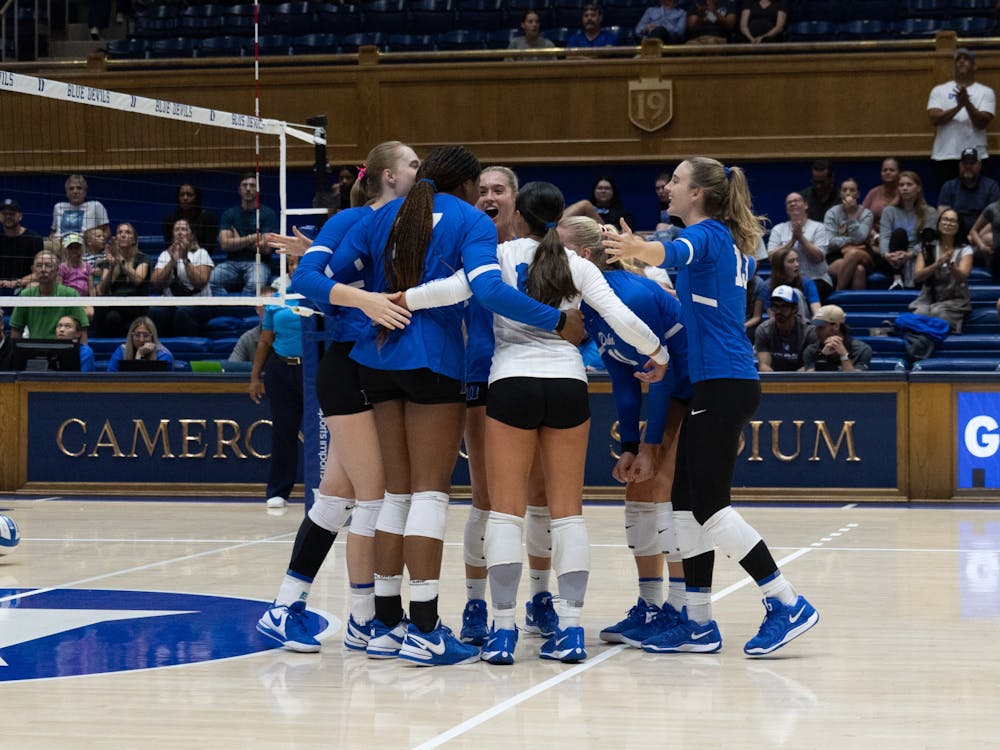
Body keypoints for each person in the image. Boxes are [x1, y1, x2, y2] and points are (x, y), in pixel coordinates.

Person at [337, 146, 586, 666]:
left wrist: (373, 298)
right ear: (471, 185)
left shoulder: (392, 215)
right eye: (483, 186)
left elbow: (338, 273)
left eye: (498, 190)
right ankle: (448, 618)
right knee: (455, 496)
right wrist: (559, 323)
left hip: (392, 355)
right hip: (449, 364)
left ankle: (391, 621)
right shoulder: (469, 226)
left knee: (404, 495)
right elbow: (482, 289)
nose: (487, 196)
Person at [604, 156, 819, 656]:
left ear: (698, 193)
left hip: (725, 382)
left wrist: (639, 248)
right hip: (712, 380)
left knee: (709, 506)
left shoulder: (711, 235)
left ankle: (785, 600)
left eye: (677, 181)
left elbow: (672, 251)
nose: (669, 187)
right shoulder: (720, 240)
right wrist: (665, 364)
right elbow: (696, 310)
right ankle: (697, 621)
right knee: (683, 501)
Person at [256, 141, 422, 654]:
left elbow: (340, 269)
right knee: (374, 498)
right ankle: (361, 617)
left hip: (370, 363)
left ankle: (286, 606)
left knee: (334, 499)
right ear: (389, 176)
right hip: (348, 364)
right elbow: (307, 285)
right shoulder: (352, 219)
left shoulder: (393, 224)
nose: (422, 170)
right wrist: (363, 298)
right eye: (414, 164)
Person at [557, 216, 689, 648]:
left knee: (665, 490)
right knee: (638, 490)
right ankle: (650, 605)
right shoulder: (591, 308)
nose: (550, 258)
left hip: (691, 391)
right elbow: (623, 377)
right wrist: (631, 447)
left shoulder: (631, 295)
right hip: (661, 393)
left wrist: (651, 448)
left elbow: (664, 374)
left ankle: (683, 608)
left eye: (560, 249)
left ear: (586, 256)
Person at [249, 255, 304, 509]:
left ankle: (332, 490)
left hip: (315, 372)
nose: (295, 266)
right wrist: (254, 377)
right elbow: (264, 341)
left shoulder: (322, 297)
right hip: (282, 370)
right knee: (284, 431)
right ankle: (279, 490)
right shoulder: (278, 301)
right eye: (291, 263)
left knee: (328, 432)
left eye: (299, 261)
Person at [928, 48, 996, 190]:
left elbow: (982, 123)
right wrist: (959, 106)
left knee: (977, 200)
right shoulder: (939, 90)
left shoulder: (986, 92)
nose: (961, 61)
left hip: (975, 156)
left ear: (974, 66)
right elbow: (934, 118)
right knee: (946, 203)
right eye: (958, 59)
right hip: (945, 155)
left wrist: (967, 103)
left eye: (966, 59)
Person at [212, 173, 278, 295]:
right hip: (232, 263)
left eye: (252, 185)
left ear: (258, 190)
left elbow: (266, 248)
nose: (248, 189)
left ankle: (247, 312)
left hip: (259, 263)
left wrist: (238, 240)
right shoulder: (229, 214)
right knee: (212, 281)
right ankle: (229, 307)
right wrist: (252, 238)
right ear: (239, 190)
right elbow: (225, 245)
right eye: (244, 185)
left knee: (255, 285)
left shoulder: (268, 214)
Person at [909, 209, 974, 333]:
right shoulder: (928, 246)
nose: (947, 223)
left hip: (955, 300)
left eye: (952, 221)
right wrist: (937, 264)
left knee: (938, 313)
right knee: (920, 314)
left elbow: (963, 277)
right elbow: (917, 277)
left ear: (959, 226)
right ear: (939, 223)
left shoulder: (965, 249)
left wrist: (950, 266)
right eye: (944, 219)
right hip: (929, 298)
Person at [150, 218, 215, 337]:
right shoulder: (165, 254)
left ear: (191, 236)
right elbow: (156, 282)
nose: (180, 233)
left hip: (199, 304)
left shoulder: (201, 253)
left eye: (184, 229)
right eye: (177, 230)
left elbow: (200, 282)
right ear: (173, 235)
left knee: (183, 312)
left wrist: (185, 259)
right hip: (171, 303)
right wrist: (172, 262)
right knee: (155, 312)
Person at [9, 250, 89, 341]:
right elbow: (16, 330)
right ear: (33, 270)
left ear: (57, 270)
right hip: (33, 349)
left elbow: (82, 329)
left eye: (48, 265)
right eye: (39, 266)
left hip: (63, 350)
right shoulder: (26, 295)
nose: (43, 269)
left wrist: (83, 351)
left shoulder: (70, 294)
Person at [767, 192, 832, 301]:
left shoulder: (818, 227)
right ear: (787, 209)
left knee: (803, 291)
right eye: (789, 202)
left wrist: (801, 238)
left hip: (816, 279)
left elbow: (819, 258)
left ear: (805, 205)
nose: (793, 204)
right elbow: (772, 258)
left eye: (797, 200)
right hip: (786, 280)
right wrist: (792, 241)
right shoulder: (778, 229)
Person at [879, 171, 938, 290]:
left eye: (909, 184)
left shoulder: (930, 212)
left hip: (918, 254)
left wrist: (910, 254)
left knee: (926, 254)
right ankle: (897, 278)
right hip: (893, 254)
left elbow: (929, 241)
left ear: (918, 188)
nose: (904, 188)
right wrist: (887, 255)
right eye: (901, 185)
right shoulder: (889, 211)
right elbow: (884, 237)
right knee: (899, 233)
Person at [93, 223, 152, 338]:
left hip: (135, 303)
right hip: (115, 305)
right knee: (112, 316)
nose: (123, 235)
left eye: (127, 232)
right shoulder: (109, 261)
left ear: (134, 240)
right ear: (116, 239)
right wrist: (111, 266)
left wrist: (120, 260)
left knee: (107, 309)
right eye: (120, 232)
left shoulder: (143, 258)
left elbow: (138, 280)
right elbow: (101, 291)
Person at [937, 147, 1000, 243]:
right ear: (959, 166)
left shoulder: (991, 186)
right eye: (964, 163)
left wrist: (975, 238)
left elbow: (994, 218)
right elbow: (943, 216)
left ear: (979, 165)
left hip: (980, 236)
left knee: (991, 238)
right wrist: (958, 238)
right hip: (954, 236)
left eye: (972, 163)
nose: (968, 166)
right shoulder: (949, 186)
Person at [825, 178, 876, 291]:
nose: (848, 193)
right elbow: (829, 241)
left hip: (863, 252)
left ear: (858, 194)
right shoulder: (832, 213)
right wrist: (847, 245)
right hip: (836, 254)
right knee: (859, 270)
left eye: (852, 190)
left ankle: (837, 293)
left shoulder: (866, 214)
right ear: (840, 193)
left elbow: (860, 238)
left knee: (853, 253)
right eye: (844, 190)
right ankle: (857, 308)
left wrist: (852, 216)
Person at [754, 285, 818, 372]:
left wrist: (790, 383)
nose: (778, 311)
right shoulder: (763, 330)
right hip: (774, 380)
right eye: (775, 306)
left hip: (801, 380)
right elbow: (764, 366)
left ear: (794, 309)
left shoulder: (809, 331)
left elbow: (809, 366)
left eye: (784, 306)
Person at [756, 245, 821, 322]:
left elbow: (817, 310)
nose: (797, 264)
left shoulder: (807, 282)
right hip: (780, 324)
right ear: (780, 266)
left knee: (795, 292)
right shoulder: (767, 286)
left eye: (797, 260)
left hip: (804, 326)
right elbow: (772, 317)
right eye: (791, 261)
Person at [802, 305, 871, 372]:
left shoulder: (862, 350)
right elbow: (812, 380)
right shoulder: (811, 351)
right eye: (816, 327)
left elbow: (854, 381)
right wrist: (822, 356)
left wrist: (844, 356)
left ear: (836, 326)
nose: (816, 331)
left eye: (821, 327)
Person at [50, 175, 110, 246]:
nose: (75, 191)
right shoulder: (58, 206)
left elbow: (107, 231)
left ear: (85, 191)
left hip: (85, 244)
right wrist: (52, 237)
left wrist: (96, 244)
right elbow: (53, 232)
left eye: (79, 188)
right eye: (71, 188)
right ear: (66, 192)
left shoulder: (96, 206)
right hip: (60, 244)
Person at [0, 198, 44, 292]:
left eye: (12, 213)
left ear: (20, 216)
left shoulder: (34, 239)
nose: (8, 216)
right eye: (4, 213)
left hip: (23, 286)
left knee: (34, 286)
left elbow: (38, 272)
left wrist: (16, 283)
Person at [161, 184, 219, 253]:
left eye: (189, 195)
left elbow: (210, 247)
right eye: (182, 195)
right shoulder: (169, 219)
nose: (185, 198)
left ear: (197, 197)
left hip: (201, 258)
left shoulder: (209, 218)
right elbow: (169, 245)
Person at [107, 316, 174, 372]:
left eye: (146, 335)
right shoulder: (121, 351)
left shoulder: (163, 355)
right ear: (131, 336)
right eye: (137, 335)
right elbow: (109, 378)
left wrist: (139, 355)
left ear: (152, 337)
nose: (141, 340)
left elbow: (144, 382)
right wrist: (139, 355)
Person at [862, 157, 901, 242]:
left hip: (898, 238)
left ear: (899, 173)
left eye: (891, 170)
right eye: (884, 170)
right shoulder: (873, 192)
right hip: (873, 237)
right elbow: (861, 219)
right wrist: (875, 236)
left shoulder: (904, 193)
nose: (887, 172)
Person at [57, 233, 95, 299]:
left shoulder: (87, 266)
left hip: (85, 300)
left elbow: (91, 287)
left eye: (77, 247)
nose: (74, 250)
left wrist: (93, 303)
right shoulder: (62, 267)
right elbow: (59, 287)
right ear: (66, 250)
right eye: (70, 248)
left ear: (81, 249)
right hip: (68, 300)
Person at [800, 159, 838, 223]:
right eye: (815, 182)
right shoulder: (803, 197)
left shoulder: (840, 199)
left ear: (831, 179)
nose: (818, 186)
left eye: (822, 182)